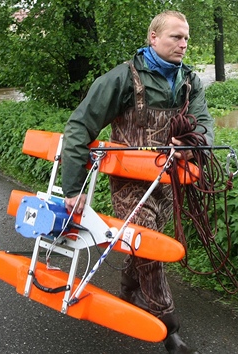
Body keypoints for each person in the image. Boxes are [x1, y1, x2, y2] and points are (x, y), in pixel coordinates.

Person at [61, 10, 213, 354]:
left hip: (168, 182)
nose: (184, 44)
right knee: (147, 241)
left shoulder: (190, 81)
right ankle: (169, 326)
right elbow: (78, 128)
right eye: (176, 37)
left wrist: (192, 144)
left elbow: (204, 123)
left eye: (186, 38)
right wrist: (73, 190)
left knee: (141, 244)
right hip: (128, 182)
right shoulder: (121, 79)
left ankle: (129, 291)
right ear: (153, 38)